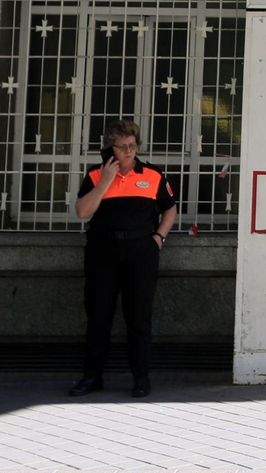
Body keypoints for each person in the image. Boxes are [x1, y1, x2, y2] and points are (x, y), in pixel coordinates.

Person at [69, 120, 177, 399]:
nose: (129, 152)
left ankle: (141, 378)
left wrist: (158, 239)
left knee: (139, 317)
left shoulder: (152, 174)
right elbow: (82, 211)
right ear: (110, 149)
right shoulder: (95, 175)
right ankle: (92, 377)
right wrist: (105, 181)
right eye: (122, 147)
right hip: (102, 251)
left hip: (140, 250)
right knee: (98, 317)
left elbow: (170, 209)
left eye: (133, 146)